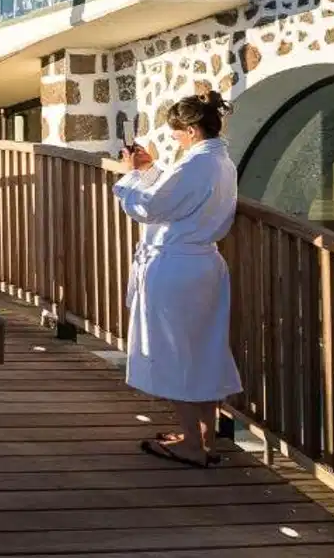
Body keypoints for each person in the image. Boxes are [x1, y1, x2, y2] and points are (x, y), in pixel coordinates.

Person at [113, 90, 241, 468]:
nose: (174, 138)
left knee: (173, 353)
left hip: (175, 269)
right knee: (202, 350)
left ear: (190, 129)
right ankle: (203, 439)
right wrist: (150, 170)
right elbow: (179, 199)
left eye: (176, 132)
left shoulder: (196, 166)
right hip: (203, 265)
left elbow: (151, 207)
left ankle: (190, 444)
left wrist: (132, 176)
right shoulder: (220, 163)